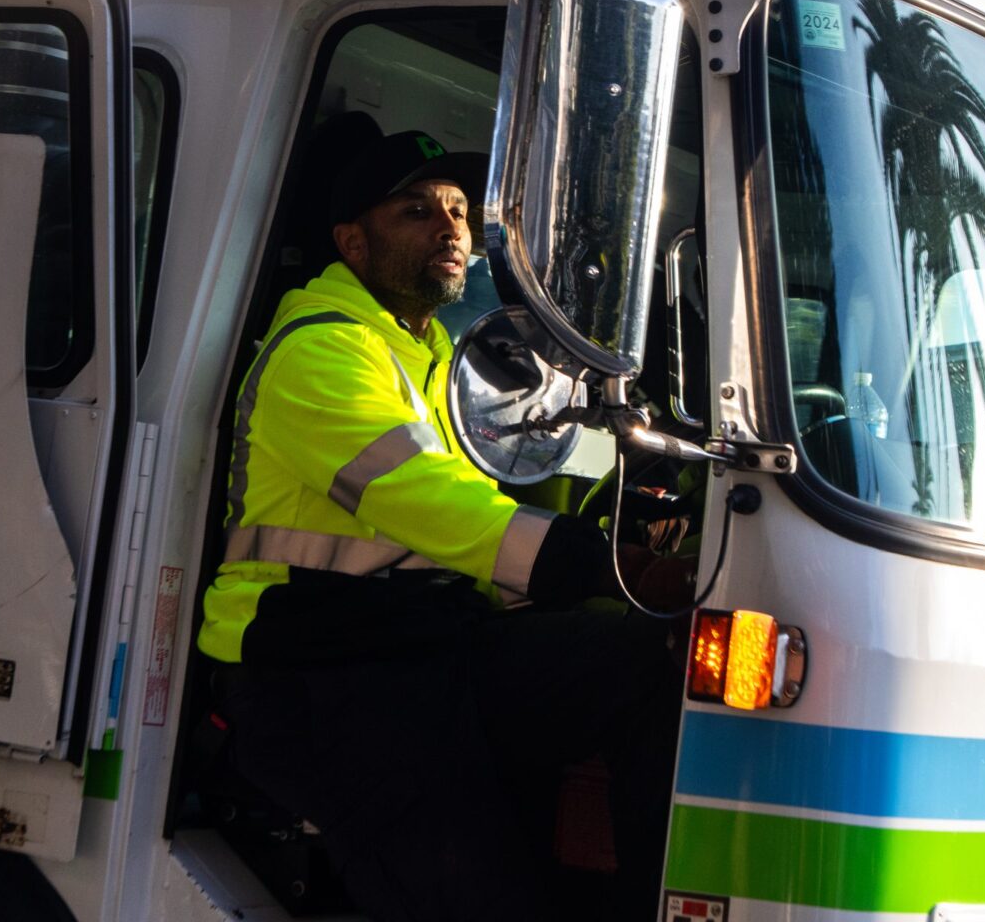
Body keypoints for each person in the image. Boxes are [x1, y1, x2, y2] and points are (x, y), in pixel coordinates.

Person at [199, 130, 684, 922]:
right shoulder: (322, 348)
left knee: (638, 666)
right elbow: (428, 501)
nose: (451, 229)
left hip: (423, 651)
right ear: (352, 242)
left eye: (460, 212)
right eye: (416, 211)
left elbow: (464, 520)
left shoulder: (422, 354)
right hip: (320, 677)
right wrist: (607, 569)